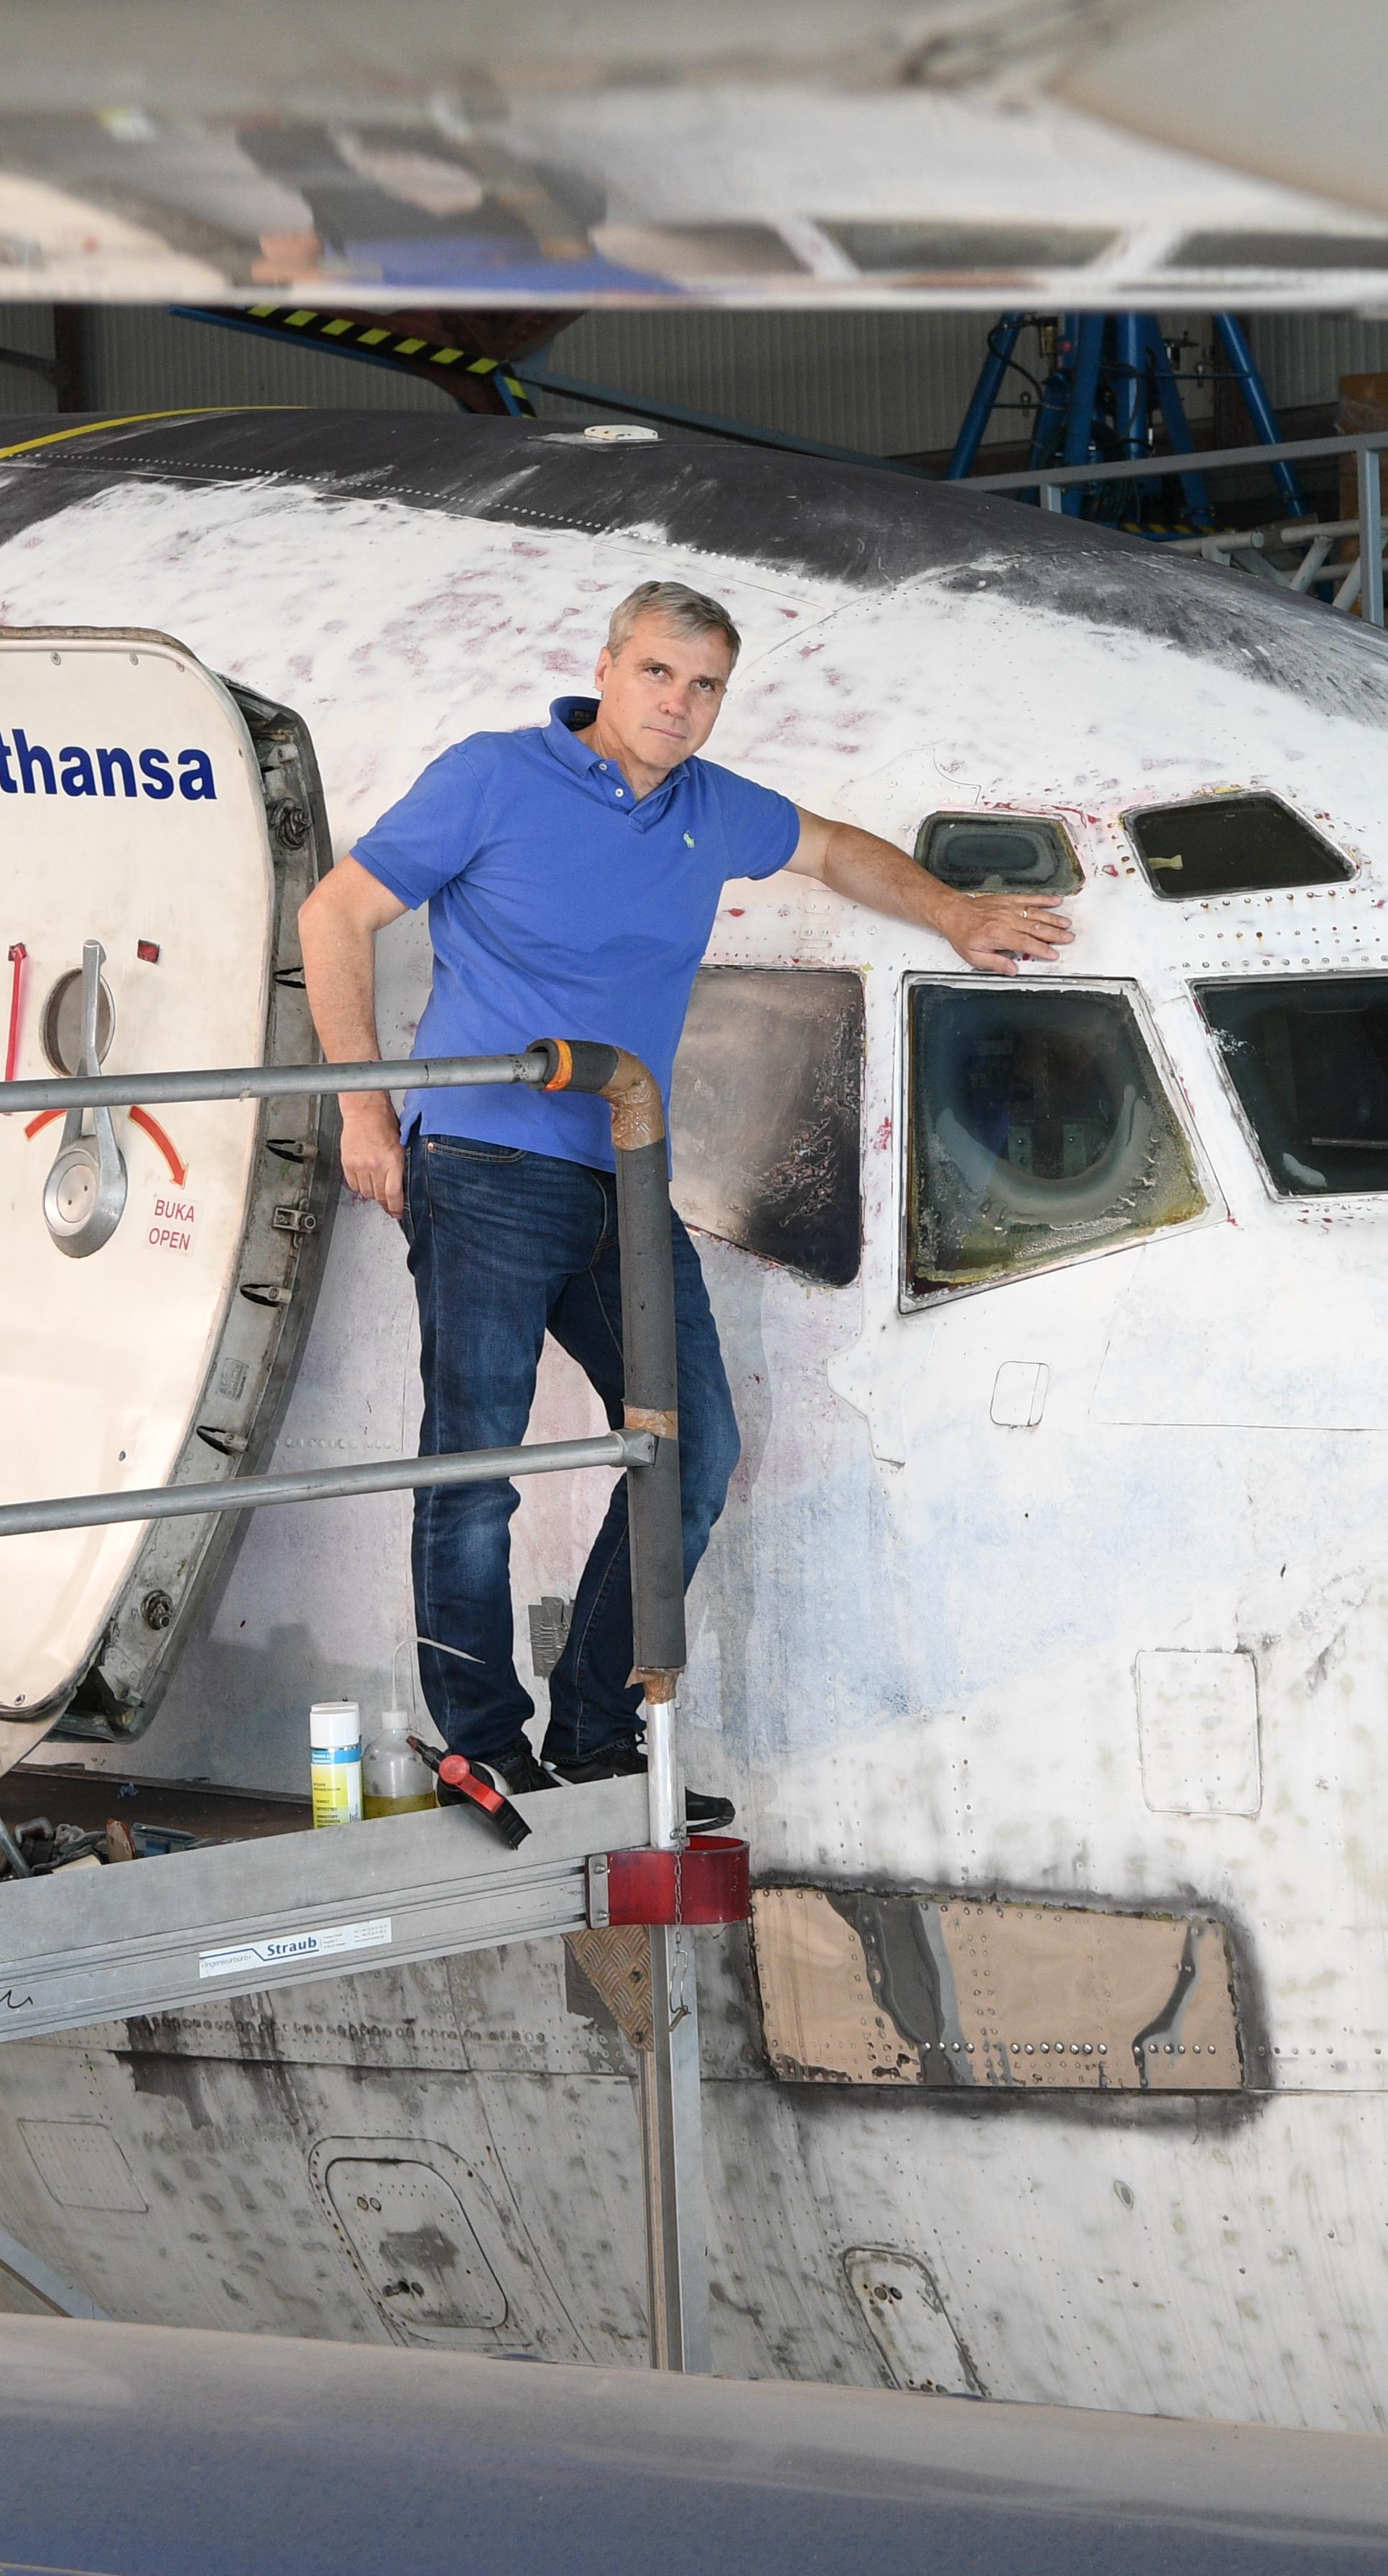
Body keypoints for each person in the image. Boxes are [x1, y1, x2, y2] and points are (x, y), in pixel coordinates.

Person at [301, 580, 1068, 1822]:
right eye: (659, 674)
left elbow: (829, 847)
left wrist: (951, 910)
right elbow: (335, 911)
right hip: (487, 1163)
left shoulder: (711, 809)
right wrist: (364, 1109)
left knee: (690, 1446)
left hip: (629, 1169)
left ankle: (602, 1731)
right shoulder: (494, 777)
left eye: (705, 685)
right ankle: (483, 1746)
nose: (681, 704)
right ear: (605, 667)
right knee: (476, 1459)